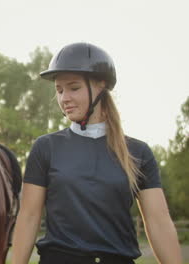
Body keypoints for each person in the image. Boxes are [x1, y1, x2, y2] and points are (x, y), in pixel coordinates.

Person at [11, 42, 182, 264]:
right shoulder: (46, 147)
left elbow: (158, 221)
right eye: (59, 90)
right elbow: (29, 217)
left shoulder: (138, 152)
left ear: (101, 86)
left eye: (74, 88)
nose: (64, 99)